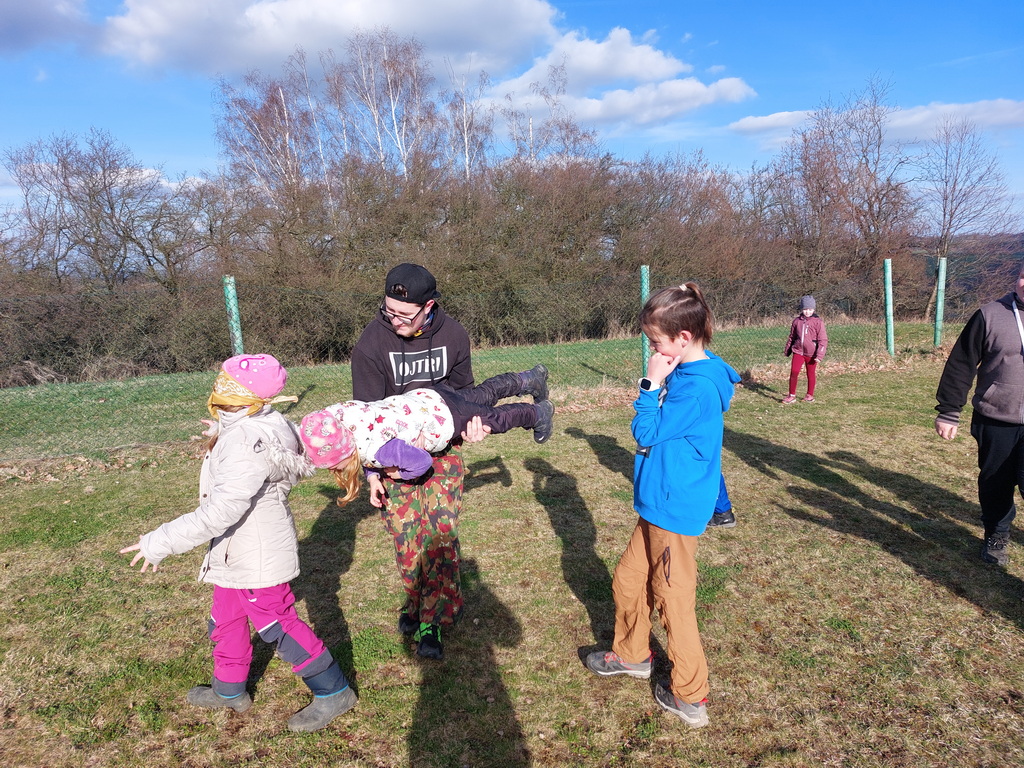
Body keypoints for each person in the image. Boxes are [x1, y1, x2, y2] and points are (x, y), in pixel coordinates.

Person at [120, 354, 356, 733]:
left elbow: (221, 511)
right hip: (234, 550)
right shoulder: (259, 423)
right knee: (226, 617)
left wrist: (160, 541)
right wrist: (222, 428)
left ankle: (333, 691)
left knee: (277, 623)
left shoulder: (245, 442)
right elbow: (255, 439)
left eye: (226, 385)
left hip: (255, 552)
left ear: (241, 396)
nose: (217, 389)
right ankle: (229, 690)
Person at [349, 263, 548, 660]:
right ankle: (419, 600)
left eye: (404, 315)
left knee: (439, 533)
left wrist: (469, 431)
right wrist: (371, 473)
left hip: (443, 450)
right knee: (406, 539)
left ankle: (433, 620)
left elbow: (466, 395)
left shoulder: (453, 334)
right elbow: (365, 418)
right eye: (388, 311)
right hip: (393, 459)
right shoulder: (370, 345)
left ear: (429, 307)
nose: (394, 320)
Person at [585, 283, 736, 729]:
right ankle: (632, 654)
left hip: (674, 510)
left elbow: (646, 432)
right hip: (657, 504)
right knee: (629, 581)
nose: (653, 349)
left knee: (674, 601)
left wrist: (649, 385)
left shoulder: (698, 388)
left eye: (656, 342)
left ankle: (690, 695)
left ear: (683, 338)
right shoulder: (688, 372)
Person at [300, 368, 553, 498]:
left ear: (345, 450)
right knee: (485, 393)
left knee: (495, 420)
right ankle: (529, 379)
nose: (333, 470)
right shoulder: (348, 418)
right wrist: (373, 477)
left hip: (445, 419)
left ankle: (538, 414)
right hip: (431, 397)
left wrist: (397, 473)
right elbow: (363, 447)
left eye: (334, 464)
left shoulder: (382, 452)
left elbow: (421, 462)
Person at [935, 264, 1024, 566]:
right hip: (996, 418)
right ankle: (996, 535)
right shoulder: (989, 314)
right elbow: (961, 363)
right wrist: (949, 411)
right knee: (996, 483)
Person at [783, 295, 828, 404]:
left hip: (812, 354)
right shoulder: (796, 321)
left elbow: (823, 340)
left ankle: (809, 395)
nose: (808, 312)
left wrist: (819, 355)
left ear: (814, 309)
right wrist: (788, 349)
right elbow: (792, 337)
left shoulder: (818, 322)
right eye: (805, 309)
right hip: (798, 351)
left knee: (810, 373)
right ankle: (791, 395)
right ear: (802, 309)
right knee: (794, 372)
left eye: (810, 309)